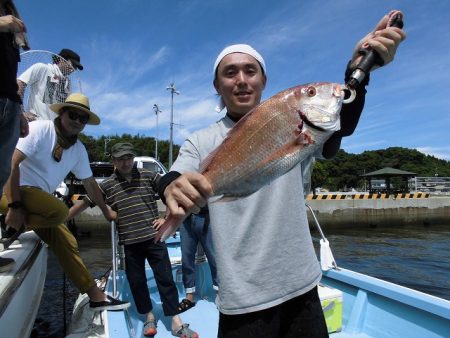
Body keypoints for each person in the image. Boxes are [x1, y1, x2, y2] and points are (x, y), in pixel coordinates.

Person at [156, 12, 405, 338]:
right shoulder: (201, 141)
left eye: (250, 70)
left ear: (263, 80)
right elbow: (175, 174)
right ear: (217, 85)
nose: (241, 79)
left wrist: (360, 71)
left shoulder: (294, 122)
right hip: (241, 298)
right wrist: (169, 186)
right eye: (230, 73)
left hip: (302, 286)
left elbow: (342, 122)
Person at [0, 92, 130, 311]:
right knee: (59, 212)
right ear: (61, 113)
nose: (78, 121)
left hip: (39, 201)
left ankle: (96, 297)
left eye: (83, 118)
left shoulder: (79, 150)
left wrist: (107, 213)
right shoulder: (41, 129)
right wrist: (14, 206)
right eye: (73, 115)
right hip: (12, 192)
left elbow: (90, 185)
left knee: (67, 242)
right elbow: (11, 165)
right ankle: (9, 223)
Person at [67, 142, 199, 338]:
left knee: (166, 279)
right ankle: (148, 317)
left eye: (128, 157)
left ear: (133, 157)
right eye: (120, 159)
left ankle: (175, 320)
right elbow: (87, 201)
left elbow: (171, 192)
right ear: (114, 161)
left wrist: (165, 218)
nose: (125, 162)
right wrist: (63, 219)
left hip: (155, 240)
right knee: (137, 283)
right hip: (130, 244)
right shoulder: (108, 185)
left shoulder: (149, 176)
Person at [0, 0, 29, 272]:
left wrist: (19, 112)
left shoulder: (11, 14)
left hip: (9, 104)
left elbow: (12, 76)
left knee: (0, 174)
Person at [17, 48, 83, 121]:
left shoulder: (67, 83)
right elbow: (20, 83)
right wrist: (21, 111)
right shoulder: (43, 68)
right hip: (36, 123)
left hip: (54, 129)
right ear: (62, 60)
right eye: (73, 65)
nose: (74, 69)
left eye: (76, 67)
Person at [178, 210, 218, 313]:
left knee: (214, 258)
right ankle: (189, 297)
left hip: (206, 216)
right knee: (186, 258)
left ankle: (220, 294)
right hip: (185, 218)